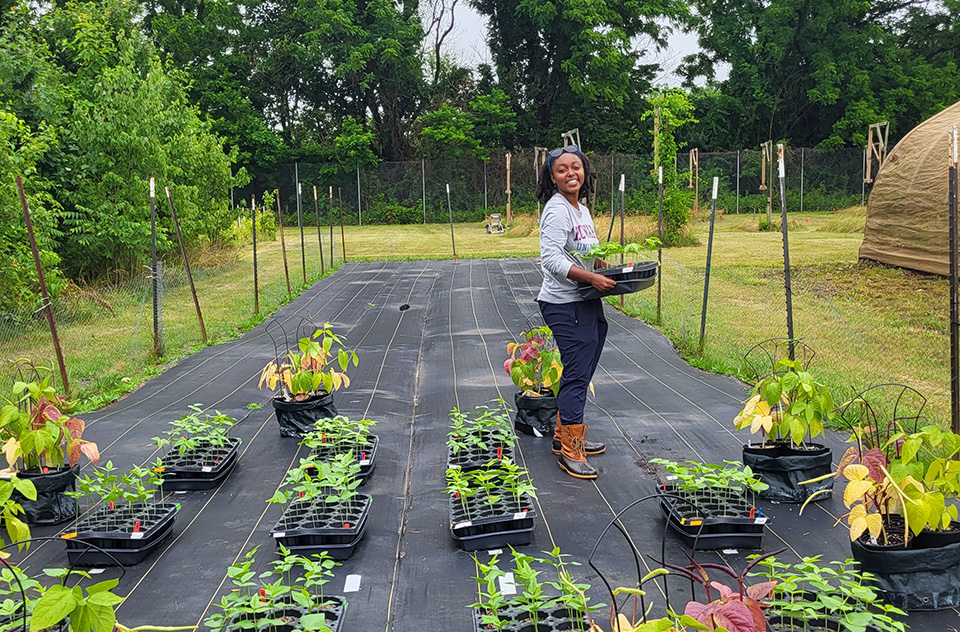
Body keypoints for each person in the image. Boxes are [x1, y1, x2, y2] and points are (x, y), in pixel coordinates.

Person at [536, 145, 615, 480]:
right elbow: (551, 260)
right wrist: (591, 277)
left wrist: (602, 265)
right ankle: (571, 449)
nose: (571, 174)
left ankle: (562, 434)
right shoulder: (557, 210)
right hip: (564, 302)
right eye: (562, 170)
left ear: (585, 171)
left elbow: (586, 251)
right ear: (552, 178)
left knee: (582, 368)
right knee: (578, 374)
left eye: (576, 167)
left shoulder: (581, 209)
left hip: (584, 300)